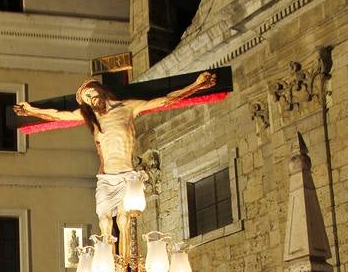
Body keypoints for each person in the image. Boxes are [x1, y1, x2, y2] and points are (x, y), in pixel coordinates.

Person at [14, 71, 217, 255]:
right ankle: (109, 267)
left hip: (127, 176)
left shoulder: (128, 107)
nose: (92, 99)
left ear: (101, 91)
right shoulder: (90, 116)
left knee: (123, 220)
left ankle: (126, 265)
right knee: (104, 221)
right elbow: (57, 115)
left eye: (92, 93)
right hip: (105, 178)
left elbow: (164, 100)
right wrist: (31, 110)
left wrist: (197, 85)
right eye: (87, 99)